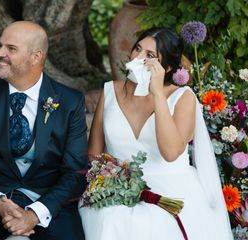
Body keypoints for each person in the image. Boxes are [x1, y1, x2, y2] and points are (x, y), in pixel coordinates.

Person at [79, 28, 233, 240]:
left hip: (171, 188)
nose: (138, 58)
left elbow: (171, 153)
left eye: (150, 56)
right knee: (109, 218)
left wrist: (158, 93)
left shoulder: (183, 98)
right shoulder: (109, 91)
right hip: (116, 186)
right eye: (137, 49)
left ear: (167, 67)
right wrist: (112, 179)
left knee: (152, 225)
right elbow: (94, 155)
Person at [0, 21, 88, 240]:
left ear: (36, 57)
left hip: (49, 202)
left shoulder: (70, 101)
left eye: (11, 48)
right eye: (0, 45)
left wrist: (34, 214)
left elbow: (75, 172)